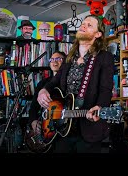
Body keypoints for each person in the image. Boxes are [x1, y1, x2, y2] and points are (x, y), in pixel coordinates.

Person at [37, 15, 113, 153]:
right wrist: (43, 90)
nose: (83, 26)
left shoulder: (104, 57)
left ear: (98, 34)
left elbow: (106, 89)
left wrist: (99, 107)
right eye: (83, 23)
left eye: (89, 25)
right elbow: (55, 81)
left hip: (88, 127)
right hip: (63, 126)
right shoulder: (69, 58)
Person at [28, 51, 66, 139]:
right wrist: (33, 121)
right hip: (46, 126)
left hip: (63, 126)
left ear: (65, 62)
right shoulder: (42, 83)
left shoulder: (68, 82)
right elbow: (34, 106)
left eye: (58, 59)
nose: (54, 62)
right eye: (52, 59)